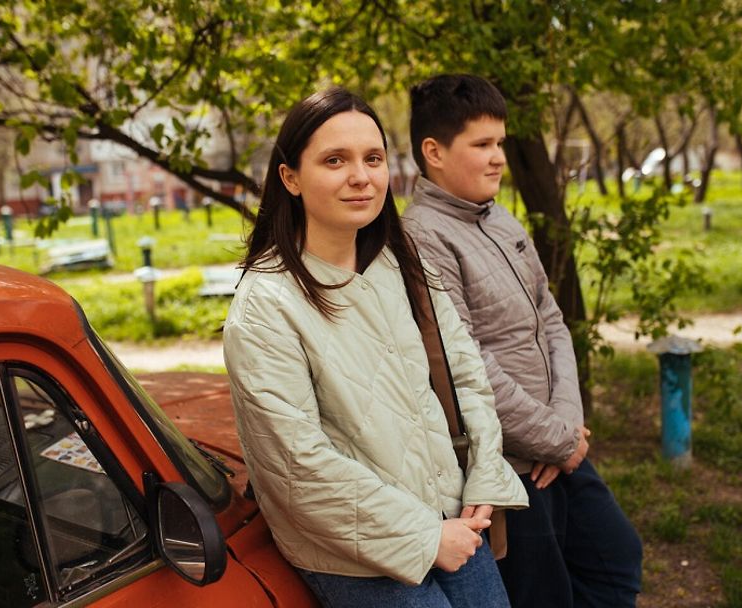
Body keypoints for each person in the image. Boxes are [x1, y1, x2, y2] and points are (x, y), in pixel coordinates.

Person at [222, 87, 527, 608]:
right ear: (290, 177)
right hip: (355, 553)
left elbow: (466, 376)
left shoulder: (402, 264)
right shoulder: (266, 306)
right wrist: (426, 538)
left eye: (373, 158)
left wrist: (482, 478)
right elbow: (299, 466)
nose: (360, 176)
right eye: (334, 160)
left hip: (454, 517)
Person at [403, 74, 643, 607]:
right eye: (482, 145)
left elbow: (550, 320)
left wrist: (565, 430)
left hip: (556, 445)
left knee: (616, 560)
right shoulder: (421, 237)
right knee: (544, 595)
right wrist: (556, 439)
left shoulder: (500, 216)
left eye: (500, 144)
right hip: (509, 466)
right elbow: (465, 365)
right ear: (434, 152)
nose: (498, 159)